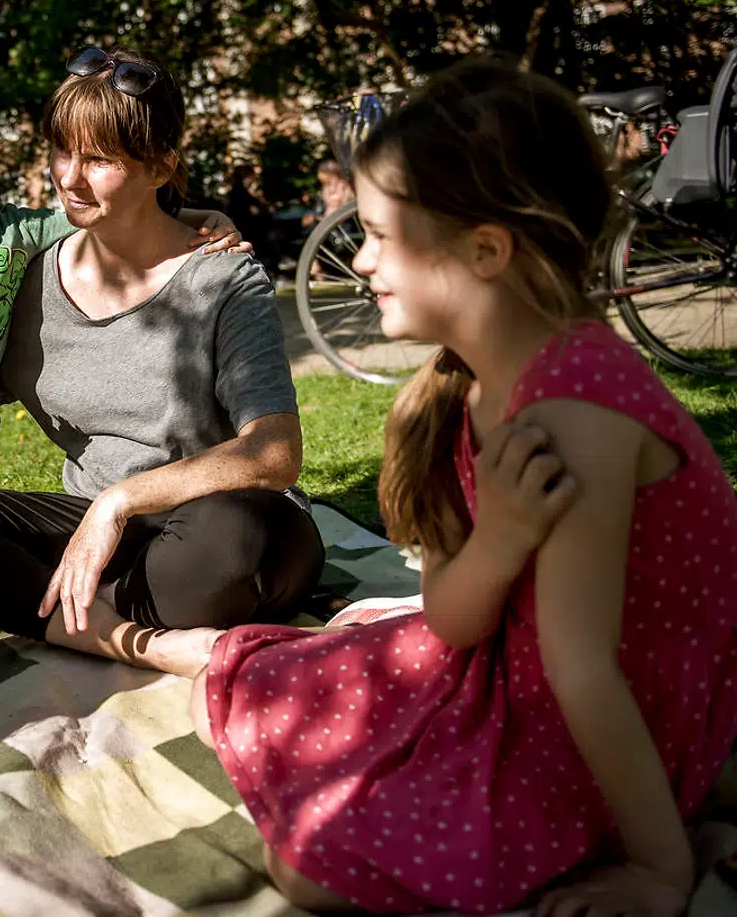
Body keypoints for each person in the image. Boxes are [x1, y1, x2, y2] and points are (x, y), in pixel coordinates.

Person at [192, 59, 737, 915]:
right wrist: (503, 540)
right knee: (237, 692)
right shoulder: (467, 392)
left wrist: (662, 874)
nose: (359, 260)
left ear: (486, 248)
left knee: (310, 865)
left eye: (379, 234)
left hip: (622, 716)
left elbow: (588, 673)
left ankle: (658, 832)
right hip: (521, 673)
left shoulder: (575, 412)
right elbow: (452, 611)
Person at [0, 48, 324, 674]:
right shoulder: (27, 278)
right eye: (62, 152)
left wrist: (120, 502)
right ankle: (128, 636)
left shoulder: (222, 277)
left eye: (100, 160)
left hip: (213, 518)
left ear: (160, 166)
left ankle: (42, 604)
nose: (70, 179)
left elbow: (274, 453)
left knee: (232, 549)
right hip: (88, 528)